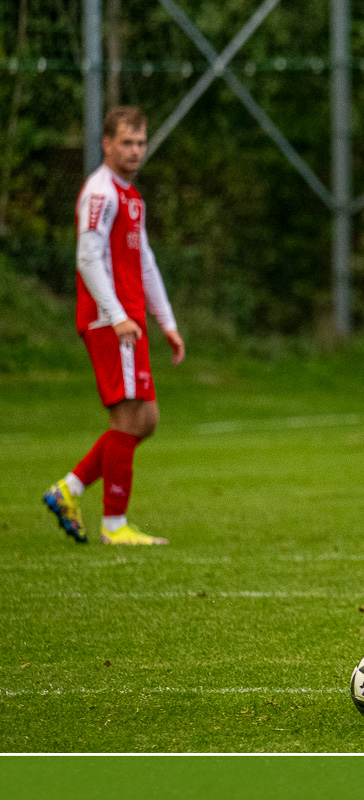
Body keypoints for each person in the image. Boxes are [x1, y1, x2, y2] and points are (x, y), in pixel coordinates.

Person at [42, 106, 184, 546]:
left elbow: (145, 261)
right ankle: (114, 525)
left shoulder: (131, 196)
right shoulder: (101, 193)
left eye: (140, 142)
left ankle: (69, 488)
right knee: (128, 416)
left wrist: (166, 320)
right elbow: (87, 258)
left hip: (129, 320)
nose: (135, 150)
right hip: (110, 320)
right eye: (126, 142)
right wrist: (117, 314)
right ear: (106, 144)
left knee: (146, 418)